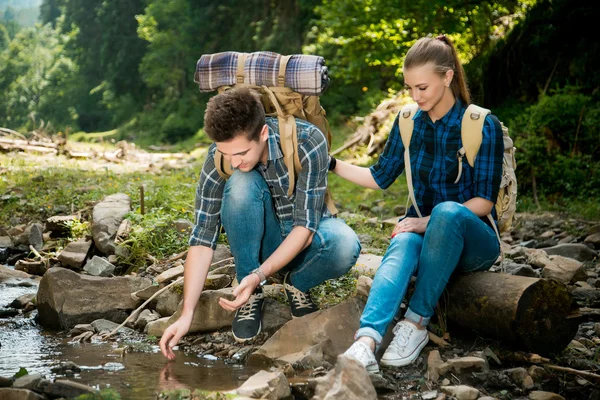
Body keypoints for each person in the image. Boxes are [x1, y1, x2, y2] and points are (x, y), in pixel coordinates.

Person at [332, 35, 504, 373]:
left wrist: (427, 221)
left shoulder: (482, 124)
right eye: (410, 88)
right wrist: (332, 164)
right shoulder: (409, 121)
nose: (415, 95)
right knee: (404, 241)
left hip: (475, 241)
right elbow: (380, 177)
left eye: (422, 87)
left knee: (444, 212)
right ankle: (366, 342)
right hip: (425, 235)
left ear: (448, 76)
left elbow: (484, 202)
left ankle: (415, 324)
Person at [160, 87, 361, 360]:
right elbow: (202, 239)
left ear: (263, 133)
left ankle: (296, 283)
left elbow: (306, 227)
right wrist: (187, 315)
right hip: (261, 244)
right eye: (226, 153)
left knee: (346, 244)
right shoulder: (219, 158)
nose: (233, 161)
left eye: (241, 152)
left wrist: (261, 273)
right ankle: (249, 291)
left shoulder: (308, 141)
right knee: (241, 182)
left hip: (305, 239)